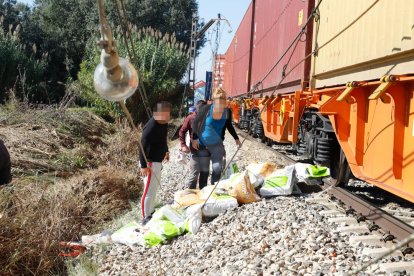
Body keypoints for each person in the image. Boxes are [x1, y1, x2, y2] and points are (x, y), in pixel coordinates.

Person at [192, 88, 242, 185]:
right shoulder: (205, 109)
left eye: (223, 103)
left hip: (217, 145)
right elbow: (195, 122)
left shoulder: (227, 112)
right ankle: (204, 192)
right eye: (219, 103)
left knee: (217, 168)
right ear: (214, 102)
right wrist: (194, 138)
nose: (221, 106)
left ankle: (214, 189)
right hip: (202, 145)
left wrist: (236, 138)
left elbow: (229, 126)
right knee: (204, 172)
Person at [138, 101, 171, 225]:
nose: (168, 117)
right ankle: (145, 217)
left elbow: (163, 139)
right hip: (149, 163)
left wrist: (166, 151)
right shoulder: (151, 126)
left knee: (154, 188)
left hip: (157, 161)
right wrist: (143, 165)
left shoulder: (163, 123)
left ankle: (150, 212)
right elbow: (141, 145)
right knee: (148, 191)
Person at [179, 101, 208, 189]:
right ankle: (190, 194)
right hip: (195, 151)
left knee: (205, 173)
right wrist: (183, 145)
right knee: (194, 173)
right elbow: (182, 131)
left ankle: (203, 193)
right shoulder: (190, 118)